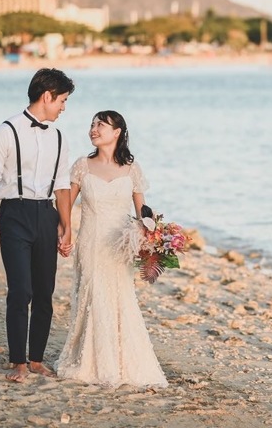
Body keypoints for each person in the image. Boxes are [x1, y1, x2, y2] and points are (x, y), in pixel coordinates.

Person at [55, 110, 167, 388]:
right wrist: (64, 231)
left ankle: (122, 361)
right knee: (92, 296)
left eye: (100, 125)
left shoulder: (131, 168)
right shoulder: (82, 165)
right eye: (92, 124)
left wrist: (155, 236)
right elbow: (66, 204)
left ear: (116, 132)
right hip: (91, 242)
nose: (93, 129)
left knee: (119, 297)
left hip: (120, 244)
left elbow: (143, 210)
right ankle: (90, 361)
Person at [0, 68, 76, 383]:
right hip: (14, 215)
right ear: (47, 96)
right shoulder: (4, 132)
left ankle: (36, 359)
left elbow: (62, 187)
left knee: (45, 293)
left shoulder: (60, 137)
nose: (63, 107)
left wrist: (66, 227)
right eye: (62, 100)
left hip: (47, 216)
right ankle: (18, 361)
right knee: (20, 291)